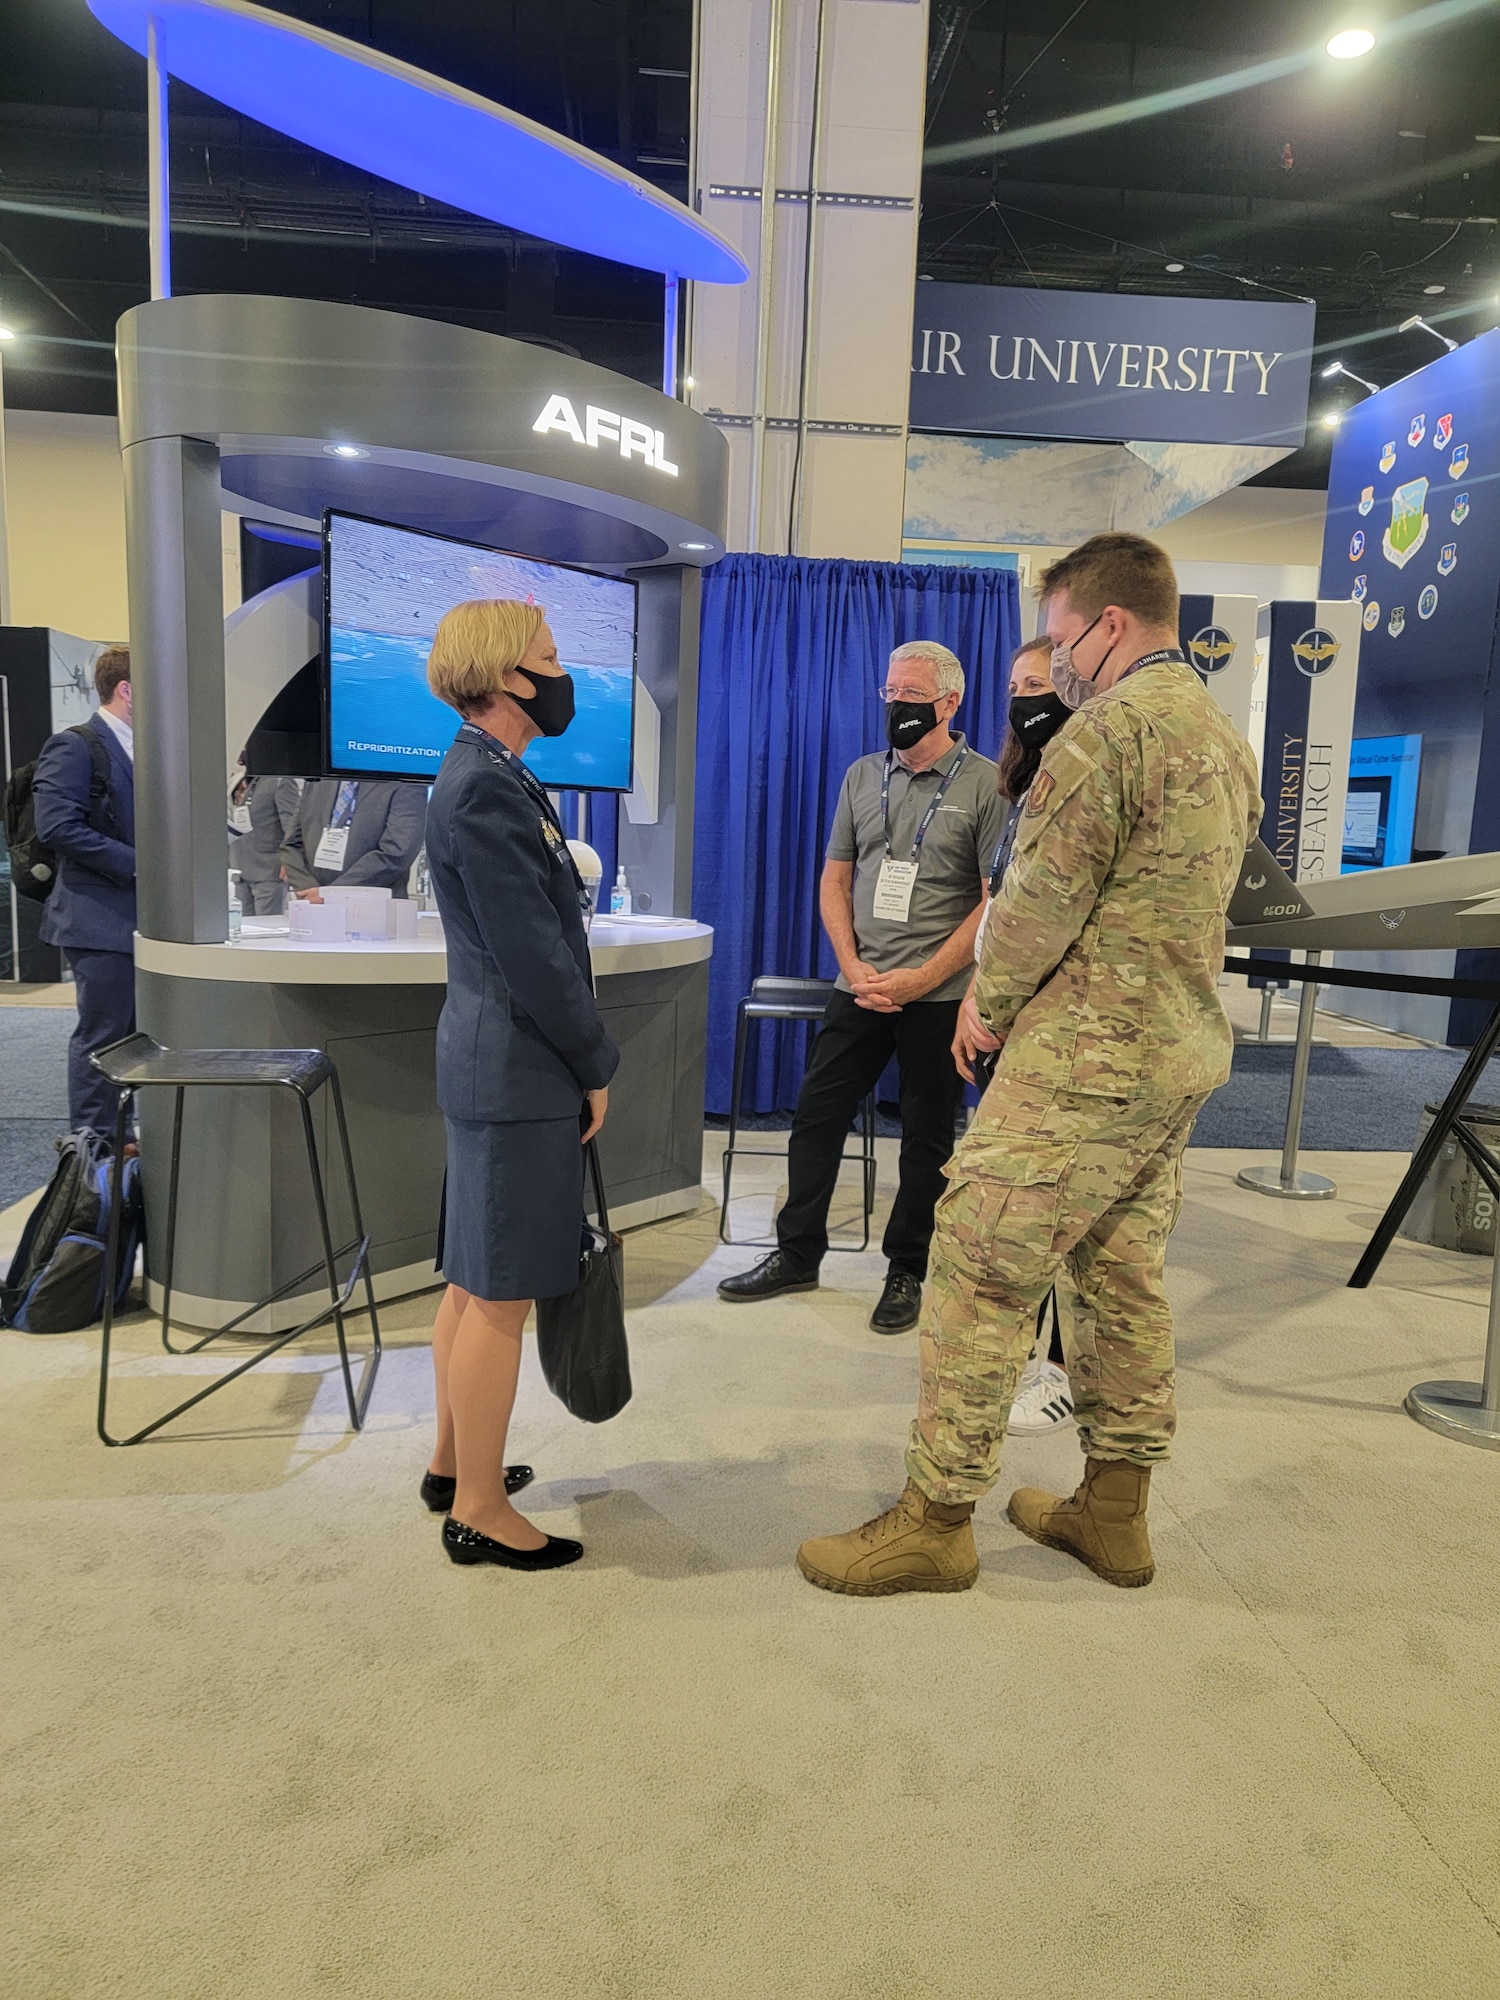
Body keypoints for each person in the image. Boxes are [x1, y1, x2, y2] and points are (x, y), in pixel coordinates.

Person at [796, 532, 1262, 1597]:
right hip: (1175, 1050)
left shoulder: (1104, 736)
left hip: (1084, 1054)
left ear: (1108, 624)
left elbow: (1031, 909)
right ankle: (1114, 1508)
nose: (1054, 664)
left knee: (978, 1263)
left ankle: (935, 1518)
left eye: (1060, 639)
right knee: (1118, 1272)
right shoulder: (1221, 739)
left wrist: (984, 1014)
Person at [718, 640, 1007, 1333]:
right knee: (816, 1116)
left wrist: (925, 978)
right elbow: (835, 880)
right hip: (863, 985)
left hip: (937, 996)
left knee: (926, 1138)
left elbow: (992, 901)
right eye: (889, 694)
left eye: (911, 695)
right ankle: (797, 1253)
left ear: (949, 702)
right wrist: (852, 968)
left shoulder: (986, 786)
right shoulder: (860, 777)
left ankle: (906, 1268)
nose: (897, 706)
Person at [421, 598, 620, 1574]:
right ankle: (478, 1507)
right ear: (506, 675)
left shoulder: (484, 772)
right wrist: (595, 1063)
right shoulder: (484, 789)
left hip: (491, 1062)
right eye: (549, 654)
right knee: (499, 1294)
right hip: (519, 1068)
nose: (561, 669)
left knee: (471, 1279)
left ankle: (452, 1462)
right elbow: (538, 959)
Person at [955, 634, 1080, 1438]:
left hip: (1052, 1030)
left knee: (1054, 1210)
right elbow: (1001, 904)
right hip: (1004, 1016)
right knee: (1006, 1208)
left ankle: (1062, 1368)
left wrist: (990, 1003)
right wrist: (978, 994)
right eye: (1015, 684)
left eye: (1039, 683)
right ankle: (1028, 1356)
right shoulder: (1023, 786)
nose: (1024, 697)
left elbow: (1051, 917)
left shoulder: (1083, 779)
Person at [32, 645, 137, 1139]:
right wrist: (144, 867)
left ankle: (129, 1143)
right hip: (98, 920)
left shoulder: (148, 749)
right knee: (103, 1037)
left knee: (136, 1039)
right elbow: (56, 828)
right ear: (127, 690)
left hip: (142, 921)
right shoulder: (75, 745)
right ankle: (92, 1153)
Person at [279, 775, 426, 902]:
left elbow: (398, 852)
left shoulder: (405, 783)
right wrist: (308, 889)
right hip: (313, 910)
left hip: (373, 914)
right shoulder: (318, 780)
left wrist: (333, 894)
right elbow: (291, 845)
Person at [230, 765, 302, 915]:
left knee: (266, 926)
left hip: (268, 871)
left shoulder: (281, 781)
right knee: (241, 928)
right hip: (239, 868)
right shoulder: (240, 779)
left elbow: (292, 827)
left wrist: (291, 861)